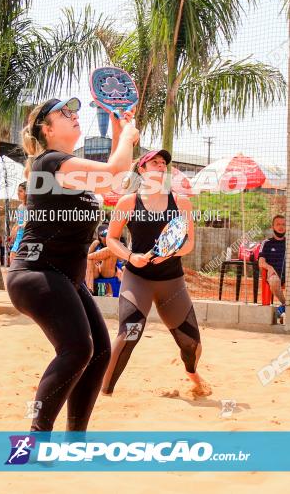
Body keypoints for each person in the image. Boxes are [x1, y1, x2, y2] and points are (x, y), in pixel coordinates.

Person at [6, 97, 138, 434]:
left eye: (75, 111)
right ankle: (35, 439)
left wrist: (122, 131)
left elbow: (114, 182)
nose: (74, 115)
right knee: (78, 349)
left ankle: (74, 440)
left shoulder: (65, 166)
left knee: (98, 353)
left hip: (65, 277)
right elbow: (114, 171)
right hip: (37, 273)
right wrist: (125, 141)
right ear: (47, 130)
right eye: (64, 113)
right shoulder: (50, 162)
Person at [101, 149, 211, 398]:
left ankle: (193, 374)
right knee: (130, 331)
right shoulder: (128, 202)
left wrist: (170, 254)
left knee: (191, 345)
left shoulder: (181, 202)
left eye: (164, 163)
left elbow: (189, 242)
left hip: (171, 282)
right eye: (155, 163)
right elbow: (111, 238)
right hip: (137, 278)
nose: (161, 166)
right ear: (142, 170)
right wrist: (131, 256)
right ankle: (104, 392)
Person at [258, 215, 286, 306]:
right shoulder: (266, 243)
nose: (281, 227)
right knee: (274, 281)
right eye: (278, 224)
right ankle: (286, 304)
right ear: (272, 227)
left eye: (283, 224)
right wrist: (269, 267)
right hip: (273, 275)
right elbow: (261, 262)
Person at [85, 227, 121, 294]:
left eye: (107, 236)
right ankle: (89, 290)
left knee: (110, 249)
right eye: (104, 236)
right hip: (95, 269)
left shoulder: (114, 244)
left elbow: (121, 260)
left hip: (107, 270)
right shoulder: (96, 243)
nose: (105, 239)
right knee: (89, 260)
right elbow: (86, 256)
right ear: (100, 237)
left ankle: (93, 257)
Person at [8, 182, 27, 265]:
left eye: (20, 191)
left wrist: (21, 225)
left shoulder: (31, 206)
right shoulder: (20, 207)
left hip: (27, 237)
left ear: (27, 192)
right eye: (17, 191)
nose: (17, 193)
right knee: (12, 258)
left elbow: (29, 221)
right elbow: (19, 220)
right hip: (19, 237)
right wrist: (14, 228)